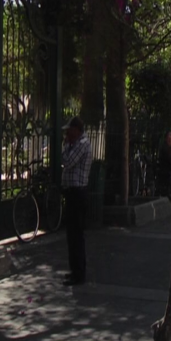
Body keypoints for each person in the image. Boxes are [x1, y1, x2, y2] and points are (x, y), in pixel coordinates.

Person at [61, 116, 92, 286]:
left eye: (70, 131)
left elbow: (67, 161)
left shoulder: (82, 144)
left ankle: (79, 273)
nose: (67, 134)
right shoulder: (75, 144)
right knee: (71, 235)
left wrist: (66, 145)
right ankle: (74, 270)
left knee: (77, 235)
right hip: (71, 193)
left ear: (77, 130)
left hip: (78, 193)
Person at [157, 131, 171, 198]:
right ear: (165, 139)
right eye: (169, 138)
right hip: (168, 171)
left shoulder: (168, 148)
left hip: (168, 170)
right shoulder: (166, 148)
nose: (170, 140)